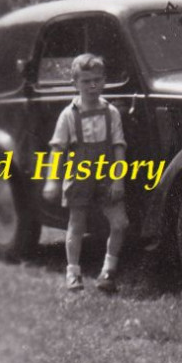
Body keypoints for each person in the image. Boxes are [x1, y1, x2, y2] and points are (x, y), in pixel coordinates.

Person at [43, 53, 128, 292]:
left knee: (120, 223)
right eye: (86, 81)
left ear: (104, 81)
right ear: (75, 84)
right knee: (77, 224)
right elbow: (57, 150)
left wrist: (118, 179)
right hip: (79, 174)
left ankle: (108, 272)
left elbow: (118, 146)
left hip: (106, 174)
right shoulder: (68, 115)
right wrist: (52, 180)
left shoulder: (111, 112)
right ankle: (73, 273)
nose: (92, 86)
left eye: (97, 80)